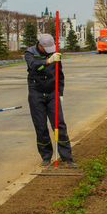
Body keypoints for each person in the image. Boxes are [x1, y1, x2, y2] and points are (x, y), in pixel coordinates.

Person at [25, 34, 76, 168]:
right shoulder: (30, 53)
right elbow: (34, 66)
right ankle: (46, 156)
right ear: (40, 45)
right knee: (41, 126)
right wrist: (47, 61)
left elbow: (60, 75)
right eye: (46, 48)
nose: (49, 51)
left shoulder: (55, 54)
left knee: (59, 125)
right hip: (36, 94)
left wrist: (60, 93)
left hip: (53, 93)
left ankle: (67, 157)